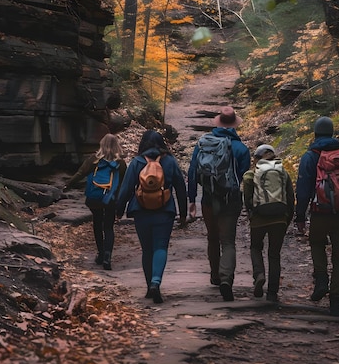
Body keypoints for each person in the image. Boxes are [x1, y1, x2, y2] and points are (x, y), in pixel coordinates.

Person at [295, 116, 339, 316]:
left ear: (315, 133)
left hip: (320, 213)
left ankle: (322, 278)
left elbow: (303, 189)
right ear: (333, 133)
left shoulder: (310, 156)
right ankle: (336, 304)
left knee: (317, 243)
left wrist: (300, 216)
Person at [116, 130, 187, 304]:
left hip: (141, 210)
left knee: (147, 249)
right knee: (160, 247)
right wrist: (183, 213)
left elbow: (126, 189)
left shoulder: (137, 162)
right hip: (164, 210)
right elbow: (180, 187)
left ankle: (149, 287)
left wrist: (118, 210)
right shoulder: (170, 161)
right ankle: (156, 281)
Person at [188, 106, 251, 301]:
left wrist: (192, 200)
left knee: (212, 238)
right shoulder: (241, 148)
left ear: (218, 123)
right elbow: (243, 176)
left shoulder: (203, 144)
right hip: (230, 199)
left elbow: (192, 173)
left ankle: (214, 275)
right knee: (228, 241)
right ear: (234, 124)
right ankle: (226, 279)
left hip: (208, 198)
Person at [64, 133, 126, 270]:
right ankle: (108, 257)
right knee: (108, 227)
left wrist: (67, 185)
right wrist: (120, 200)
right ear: (117, 146)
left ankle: (101, 253)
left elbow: (80, 174)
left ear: (101, 144)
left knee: (97, 223)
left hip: (95, 198)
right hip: (110, 199)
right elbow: (123, 182)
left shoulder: (93, 160)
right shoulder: (120, 163)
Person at [243, 144, 294, 303]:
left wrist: (251, 214)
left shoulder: (251, 175)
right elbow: (290, 198)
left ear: (257, 159)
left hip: (259, 217)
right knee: (274, 255)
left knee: (255, 247)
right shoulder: (283, 173)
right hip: (279, 218)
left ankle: (259, 275)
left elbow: (247, 199)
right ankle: (272, 293)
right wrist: (287, 218)